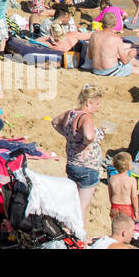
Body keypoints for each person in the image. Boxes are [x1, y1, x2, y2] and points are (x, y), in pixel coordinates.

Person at [52, 85, 106, 229]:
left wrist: (69, 137)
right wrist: (85, 142)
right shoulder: (86, 117)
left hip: (72, 164)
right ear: (88, 103)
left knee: (73, 201)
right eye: (97, 103)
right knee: (81, 206)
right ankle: (78, 236)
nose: (98, 107)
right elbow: (88, 136)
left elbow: (55, 122)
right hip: (87, 166)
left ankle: (66, 230)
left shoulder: (70, 113)